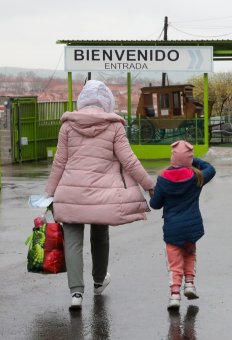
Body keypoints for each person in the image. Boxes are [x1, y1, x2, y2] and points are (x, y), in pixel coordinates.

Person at [45, 80, 155, 310]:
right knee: (100, 236)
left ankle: (76, 294)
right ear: (107, 101)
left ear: (83, 99)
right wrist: (149, 185)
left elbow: (59, 163)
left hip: (70, 191)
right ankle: (98, 281)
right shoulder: (114, 126)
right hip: (103, 195)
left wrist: (49, 194)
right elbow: (129, 161)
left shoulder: (67, 126)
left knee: (73, 242)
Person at [149, 140, 216, 310]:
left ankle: (174, 295)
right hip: (191, 228)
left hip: (172, 230)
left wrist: (155, 193)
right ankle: (190, 285)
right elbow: (211, 169)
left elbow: (155, 204)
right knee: (189, 255)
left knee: (174, 263)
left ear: (173, 158)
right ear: (189, 160)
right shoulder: (197, 177)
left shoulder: (163, 179)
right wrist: (193, 161)